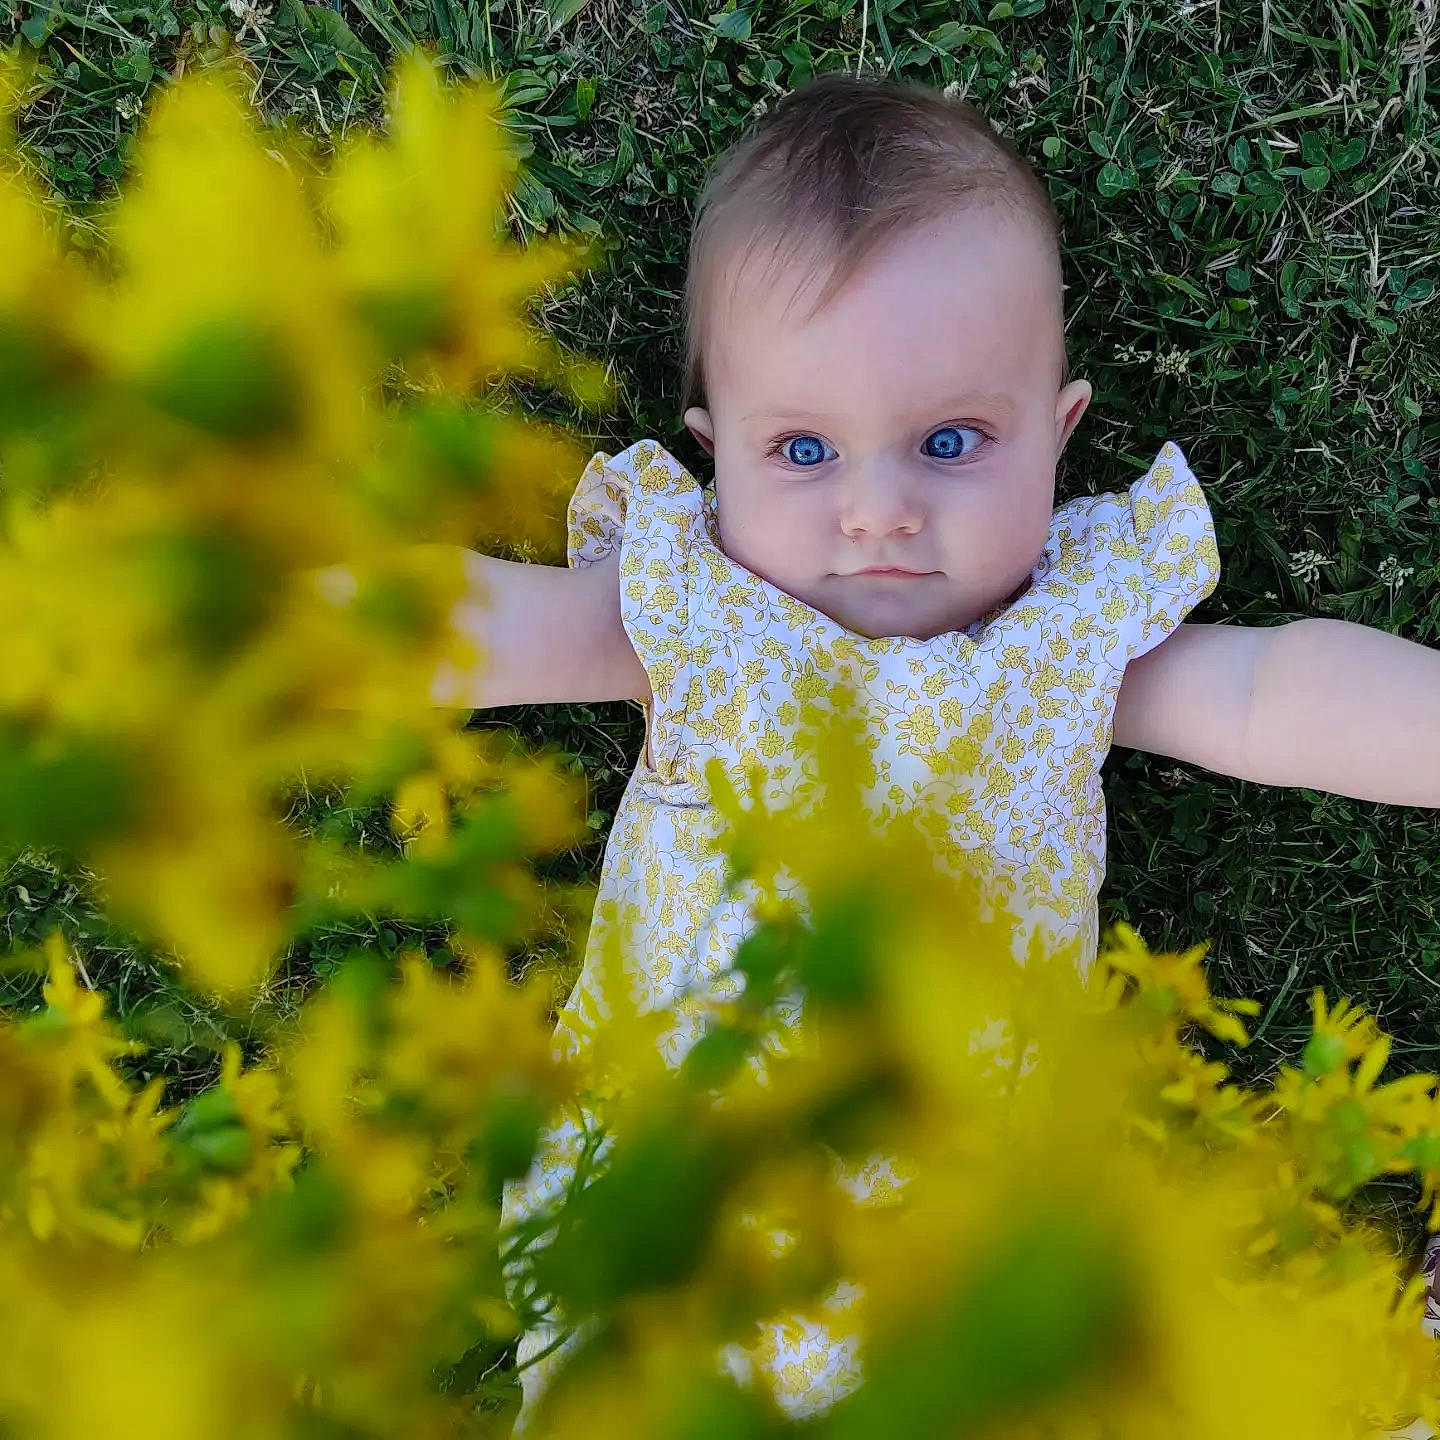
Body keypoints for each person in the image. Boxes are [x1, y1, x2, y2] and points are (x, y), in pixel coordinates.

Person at [422, 70, 1440, 1431]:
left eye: (951, 443)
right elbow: (488, 621)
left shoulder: (1064, 640)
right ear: (715, 460)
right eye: (804, 452)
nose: (879, 512)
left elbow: (1269, 696)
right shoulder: (699, 619)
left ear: (1057, 439)